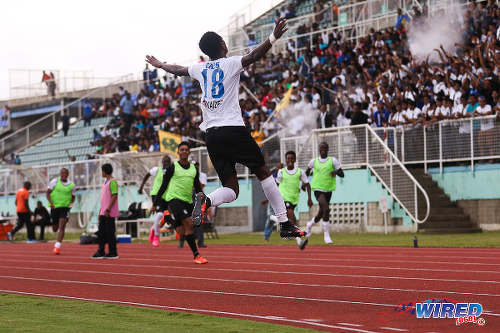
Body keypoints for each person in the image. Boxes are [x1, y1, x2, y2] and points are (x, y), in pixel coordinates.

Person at [145, 17, 305, 240]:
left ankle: (206, 200)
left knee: (231, 188)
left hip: (211, 135)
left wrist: (161, 65)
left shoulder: (200, 69)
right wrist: (273, 36)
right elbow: (254, 56)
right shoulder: (230, 63)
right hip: (233, 129)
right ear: (221, 44)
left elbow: (179, 70)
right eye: (223, 40)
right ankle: (285, 222)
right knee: (264, 173)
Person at [155, 142, 207, 264]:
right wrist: (158, 202)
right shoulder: (173, 167)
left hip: (188, 201)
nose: (184, 151)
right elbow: (164, 185)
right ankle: (197, 255)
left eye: (186, 150)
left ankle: (169, 219)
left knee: (181, 232)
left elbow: (198, 188)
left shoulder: (194, 169)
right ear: (178, 152)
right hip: (174, 199)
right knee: (189, 224)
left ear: (189, 152)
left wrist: (202, 203)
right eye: (181, 149)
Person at [305, 142, 344, 244]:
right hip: (317, 189)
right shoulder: (314, 161)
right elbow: (307, 172)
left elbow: (342, 174)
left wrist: (335, 172)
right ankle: (326, 235)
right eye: (321, 148)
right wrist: (304, 183)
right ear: (319, 149)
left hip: (328, 190)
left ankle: (310, 224)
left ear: (328, 149)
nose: (323, 149)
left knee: (321, 214)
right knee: (326, 209)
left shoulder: (333, 161)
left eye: (325, 148)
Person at [276, 151, 313, 250]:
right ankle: (299, 241)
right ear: (286, 160)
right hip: (283, 198)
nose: (290, 160)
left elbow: (307, 184)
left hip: (294, 200)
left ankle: (287, 232)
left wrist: (309, 199)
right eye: (288, 158)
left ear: (295, 160)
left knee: (292, 219)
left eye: (292, 158)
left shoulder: (300, 172)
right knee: (292, 217)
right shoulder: (281, 172)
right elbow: (276, 185)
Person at [138, 155, 172, 247]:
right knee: (160, 214)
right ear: (162, 163)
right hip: (156, 195)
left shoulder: (172, 172)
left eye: (168, 162)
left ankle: (153, 228)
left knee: (167, 217)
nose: (166, 164)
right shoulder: (157, 170)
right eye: (165, 162)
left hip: (168, 196)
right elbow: (147, 175)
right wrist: (141, 187)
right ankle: (156, 237)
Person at [92, 163, 119, 259]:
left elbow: (114, 196)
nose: (101, 173)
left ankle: (113, 252)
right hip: (104, 212)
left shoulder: (113, 182)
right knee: (101, 233)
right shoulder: (106, 182)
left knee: (110, 233)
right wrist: (101, 211)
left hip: (109, 213)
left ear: (105, 171)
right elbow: (104, 199)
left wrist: (108, 209)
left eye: (102, 171)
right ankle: (101, 251)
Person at [47, 168, 75, 255]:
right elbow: (48, 193)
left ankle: (57, 247)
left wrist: (70, 207)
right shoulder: (55, 181)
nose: (64, 175)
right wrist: (51, 203)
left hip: (65, 208)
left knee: (62, 227)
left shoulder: (72, 185)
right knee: (55, 228)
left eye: (65, 173)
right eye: (62, 173)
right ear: (60, 174)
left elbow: (73, 197)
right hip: (54, 208)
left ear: (68, 174)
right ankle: (56, 233)